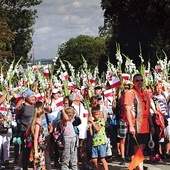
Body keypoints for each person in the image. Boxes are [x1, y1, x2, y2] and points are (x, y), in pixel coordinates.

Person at [124, 74, 155, 170]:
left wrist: (152, 125)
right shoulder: (130, 93)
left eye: (141, 80)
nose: (139, 82)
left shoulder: (145, 93)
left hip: (145, 126)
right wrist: (131, 126)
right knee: (137, 150)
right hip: (136, 125)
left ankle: (133, 168)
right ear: (133, 82)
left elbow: (148, 111)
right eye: (137, 80)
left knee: (141, 150)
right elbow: (127, 110)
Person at [15, 89, 36, 170]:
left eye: (34, 96)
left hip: (34, 130)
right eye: (31, 97)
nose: (33, 98)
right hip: (25, 131)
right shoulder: (23, 106)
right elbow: (17, 108)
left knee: (35, 149)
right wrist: (22, 98)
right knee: (26, 149)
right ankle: (24, 167)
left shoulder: (35, 105)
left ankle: (34, 165)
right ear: (27, 98)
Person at [88, 105, 109, 170]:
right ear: (93, 115)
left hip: (101, 142)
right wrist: (90, 126)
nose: (98, 116)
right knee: (94, 159)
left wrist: (92, 122)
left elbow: (97, 129)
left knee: (102, 158)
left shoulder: (101, 121)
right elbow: (91, 134)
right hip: (95, 143)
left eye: (99, 114)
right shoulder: (94, 122)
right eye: (96, 114)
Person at [30, 101, 46, 170]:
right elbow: (35, 138)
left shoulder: (38, 123)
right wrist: (36, 152)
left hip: (40, 147)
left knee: (41, 165)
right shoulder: (37, 125)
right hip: (38, 148)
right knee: (38, 166)